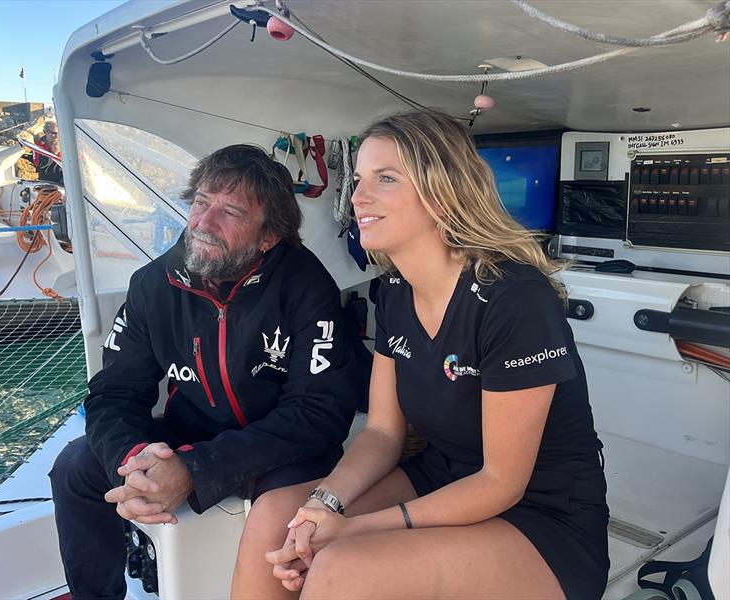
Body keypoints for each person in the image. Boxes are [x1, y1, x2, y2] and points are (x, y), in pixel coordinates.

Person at [233, 110, 609, 600]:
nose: (358, 198)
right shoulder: (391, 291)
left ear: (442, 191)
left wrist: (355, 530)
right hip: (439, 477)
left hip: (541, 515)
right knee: (275, 518)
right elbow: (384, 432)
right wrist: (324, 504)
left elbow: (501, 482)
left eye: (385, 179)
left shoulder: (515, 298)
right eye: (359, 180)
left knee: (342, 567)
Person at [49, 144, 363, 600]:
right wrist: (135, 463)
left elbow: (319, 413)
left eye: (230, 212)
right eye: (200, 203)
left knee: (281, 515)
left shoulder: (306, 286)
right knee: (75, 468)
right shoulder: (154, 285)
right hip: (192, 433)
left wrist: (196, 470)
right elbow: (114, 393)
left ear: (268, 236)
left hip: (282, 449)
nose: (203, 223)